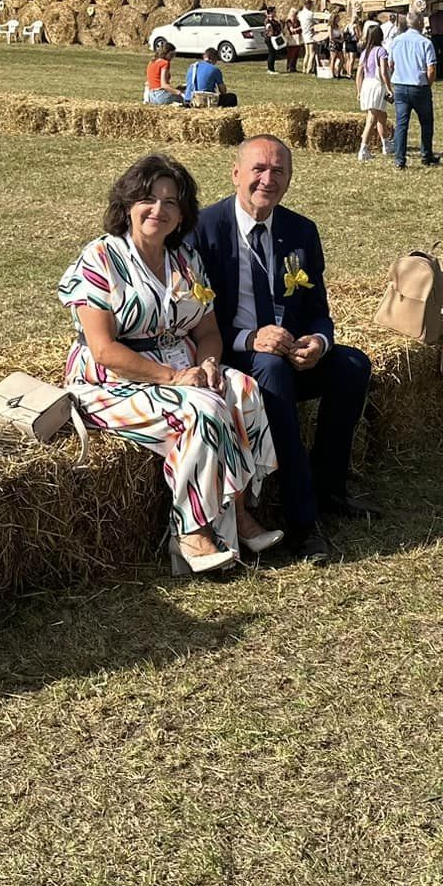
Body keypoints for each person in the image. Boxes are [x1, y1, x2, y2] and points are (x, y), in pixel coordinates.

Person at [58, 155, 280, 575]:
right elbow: (103, 349)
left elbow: (207, 330)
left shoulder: (185, 259)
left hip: (179, 366)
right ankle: (191, 530)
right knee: (203, 410)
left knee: (242, 390)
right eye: (148, 198)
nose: (158, 209)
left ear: (182, 215)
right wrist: (175, 378)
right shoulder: (100, 258)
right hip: (110, 381)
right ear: (128, 204)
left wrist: (209, 363)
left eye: (171, 202)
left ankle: (236, 511)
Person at [193, 137, 371, 562]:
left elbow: (318, 310)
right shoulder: (203, 230)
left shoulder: (301, 230)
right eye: (258, 169)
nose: (267, 180)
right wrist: (249, 338)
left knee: (352, 365)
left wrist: (318, 342)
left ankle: (329, 488)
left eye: (278, 171)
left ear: (289, 179)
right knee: (271, 370)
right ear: (235, 174)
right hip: (232, 354)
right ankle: (301, 522)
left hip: (288, 352)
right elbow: (192, 319)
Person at [387, 12, 438, 169]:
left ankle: (399, 159)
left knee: (401, 124)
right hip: (419, 86)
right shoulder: (425, 43)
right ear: (421, 23)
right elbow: (431, 69)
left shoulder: (396, 41)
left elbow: (391, 64)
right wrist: (427, 84)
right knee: (426, 122)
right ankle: (426, 155)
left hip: (400, 86)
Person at [355, 24, 394, 162]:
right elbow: (383, 72)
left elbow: (359, 73)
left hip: (367, 85)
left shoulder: (364, 52)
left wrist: (359, 90)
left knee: (382, 116)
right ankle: (363, 149)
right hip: (377, 86)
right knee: (371, 119)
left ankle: (386, 144)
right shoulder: (381, 51)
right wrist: (389, 88)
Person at [143, 38, 184, 106]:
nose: (173, 57)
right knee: (187, 99)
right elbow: (164, 85)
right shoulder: (165, 63)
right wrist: (179, 92)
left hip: (151, 96)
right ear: (167, 53)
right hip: (161, 96)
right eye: (172, 54)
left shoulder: (152, 62)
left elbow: (149, 82)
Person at [428, 4, 443, 74]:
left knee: (434, 55)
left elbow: (428, 27)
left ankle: (435, 72)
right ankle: (442, 72)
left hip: (434, 37)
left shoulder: (431, 17)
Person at [297, 1, 319, 75]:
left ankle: (304, 68)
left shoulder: (300, 14)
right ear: (308, 5)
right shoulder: (310, 14)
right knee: (312, 53)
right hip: (310, 34)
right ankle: (309, 69)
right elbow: (316, 21)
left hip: (304, 34)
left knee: (307, 53)